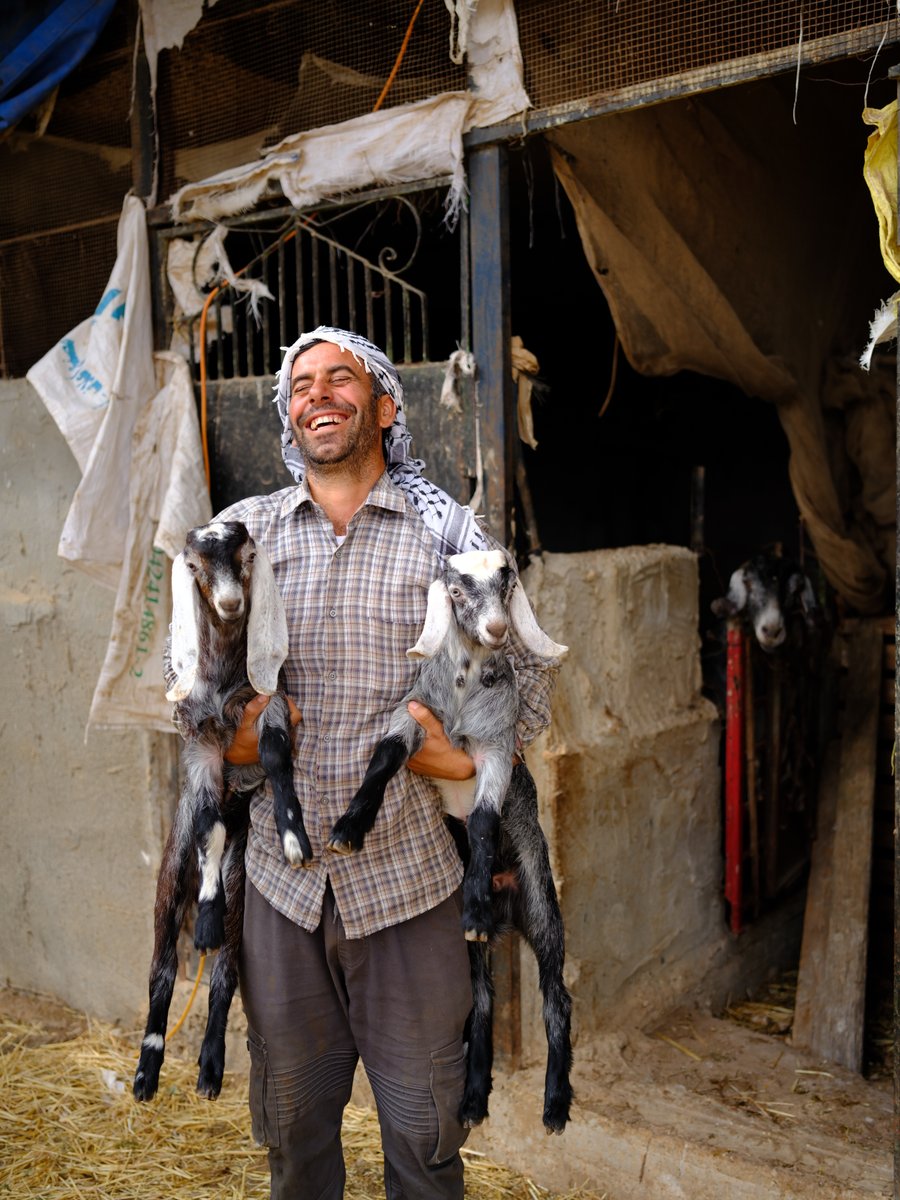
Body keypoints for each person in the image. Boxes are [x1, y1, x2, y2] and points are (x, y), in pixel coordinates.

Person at [215, 327, 559, 1199]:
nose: (318, 396)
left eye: (341, 378)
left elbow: (530, 691)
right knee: (293, 1134)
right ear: (288, 416)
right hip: (281, 892)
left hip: (409, 884)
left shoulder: (448, 533)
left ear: (384, 405)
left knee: (424, 1138)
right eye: (301, 386)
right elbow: (185, 686)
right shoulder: (244, 535)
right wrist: (229, 737)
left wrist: (458, 760)